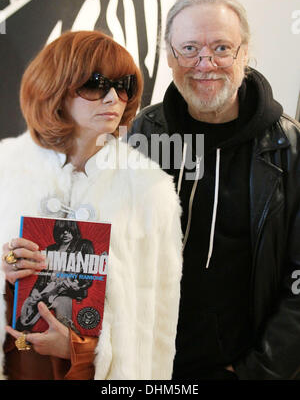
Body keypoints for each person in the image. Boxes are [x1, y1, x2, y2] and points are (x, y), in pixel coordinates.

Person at [128, 0, 300, 380]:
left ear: (245, 54)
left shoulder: (288, 148)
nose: (205, 64)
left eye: (222, 48)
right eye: (189, 48)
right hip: (150, 366)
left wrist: (255, 371)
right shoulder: (144, 134)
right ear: (169, 56)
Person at [0, 30, 183, 380]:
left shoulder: (151, 190)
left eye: (124, 85)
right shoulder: (5, 170)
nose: (114, 97)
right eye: (96, 84)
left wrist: (78, 347)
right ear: (55, 87)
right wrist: (7, 272)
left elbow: (156, 327)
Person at [16, 220, 94, 332]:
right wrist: (35, 291)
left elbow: (88, 274)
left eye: (69, 230)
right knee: (21, 325)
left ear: (74, 230)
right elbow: (42, 277)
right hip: (47, 291)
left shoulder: (83, 245)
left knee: (64, 329)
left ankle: (70, 340)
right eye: (62, 230)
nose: (66, 233)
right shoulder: (51, 249)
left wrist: (79, 285)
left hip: (66, 291)